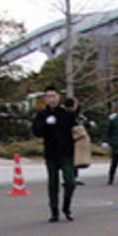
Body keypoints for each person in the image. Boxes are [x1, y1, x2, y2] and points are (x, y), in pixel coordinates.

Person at [31, 87, 78, 222]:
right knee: (53, 183)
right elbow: (36, 131)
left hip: (67, 152)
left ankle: (66, 207)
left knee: (70, 182)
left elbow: (76, 126)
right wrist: (46, 125)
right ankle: (54, 211)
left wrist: (75, 110)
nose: (51, 99)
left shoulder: (66, 113)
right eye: (48, 96)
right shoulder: (42, 115)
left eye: (53, 96)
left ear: (58, 97)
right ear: (45, 99)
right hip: (51, 152)